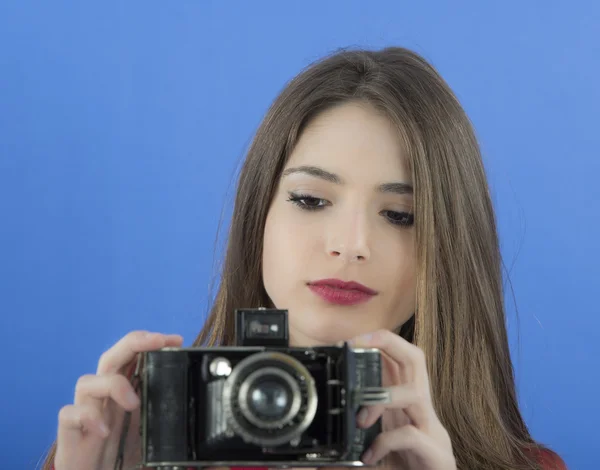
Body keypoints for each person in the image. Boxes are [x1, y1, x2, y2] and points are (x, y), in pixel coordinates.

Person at [41, 46, 567, 470]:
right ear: (258, 219)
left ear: (447, 247)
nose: (351, 244)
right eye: (311, 200)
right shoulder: (119, 448)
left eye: (401, 215)